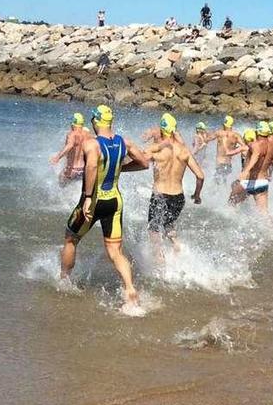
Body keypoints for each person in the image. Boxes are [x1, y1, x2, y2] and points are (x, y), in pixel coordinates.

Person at [60, 105, 149, 311]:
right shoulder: (124, 142)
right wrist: (121, 168)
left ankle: (64, 280)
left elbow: (91, 166)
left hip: (93, 200)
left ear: (96, 121)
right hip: (115, 202)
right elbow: (144, 163)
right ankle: (129, 289)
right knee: (115, 251)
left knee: (71, 238)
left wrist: (89, 198)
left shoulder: (92, 144)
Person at [144, 113, 204, 263]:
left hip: (160, 196)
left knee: (154, 230)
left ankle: (160, 261)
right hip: (178, 197)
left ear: (162, 130)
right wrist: (197, 195)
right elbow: (200, 176)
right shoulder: (184, 150)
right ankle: (177, 247)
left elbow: (141, 159)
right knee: (168, 225)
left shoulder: (156, 149)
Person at [229, 121, 273, 213]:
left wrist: (246, 171)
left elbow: (255, 156)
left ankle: (235, 222)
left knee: (231, 202)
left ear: (257, 132)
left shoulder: (255, 145)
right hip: (263, 182)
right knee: (264, 213)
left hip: (250, 182)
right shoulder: (272, 146)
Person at [49, 113, 91, 185]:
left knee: (60, 184)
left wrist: (57, 157)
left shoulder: (72, 134)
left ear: (73, 124)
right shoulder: (88, 135)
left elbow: (70, 145)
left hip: (72, 170)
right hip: (83, 169)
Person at [212, 115, 243, 184]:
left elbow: (207, 139)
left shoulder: (219, 133)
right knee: (224, 183)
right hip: (228, 165)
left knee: (216, 185)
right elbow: (244, 147)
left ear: (224, 124)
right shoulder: (236, 136)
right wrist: (235, 150)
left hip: (219, 164)